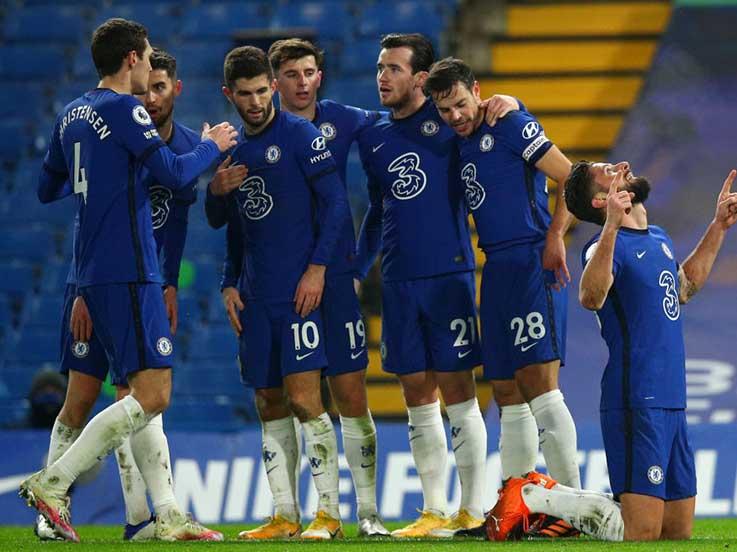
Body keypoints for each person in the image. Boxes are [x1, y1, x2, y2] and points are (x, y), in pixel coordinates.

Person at [20, 18, 236, 542]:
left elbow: (49, 187)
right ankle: (55, 483)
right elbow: (178, 174)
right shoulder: (123, 109)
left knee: (134, 392)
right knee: (153, 393)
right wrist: (211, 145)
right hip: (130, 268)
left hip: (94, 269)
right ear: (131, 59)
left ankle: (159, 515)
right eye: (144, 57)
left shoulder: (72, 111)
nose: (146, 66)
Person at [487, 163, 737, 541]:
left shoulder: (658, 239)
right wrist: (610, 228)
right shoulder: (602, 247)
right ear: (602, 200)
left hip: (673, 398)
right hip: (636, 396)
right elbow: (591, 296)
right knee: (641, 531)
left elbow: (683, 288)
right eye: (609, 171)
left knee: (675, 532)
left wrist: (718, 226)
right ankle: (533, 494)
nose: (622, 166)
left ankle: (543, 496)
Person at [212, 37, 389, 538]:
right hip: (268, 289)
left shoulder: (319, 129)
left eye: (307, 73)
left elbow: (338, 205)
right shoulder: (231, 147)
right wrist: (228, 276)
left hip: (324, 281)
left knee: (344, 395)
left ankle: (363, 513)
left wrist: (322, 269)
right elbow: (232, 222)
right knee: (273, 398)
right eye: (290, 75)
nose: (298, 83)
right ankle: (288, 514)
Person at [355, 34, 517, 537]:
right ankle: (433, 510)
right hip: (399, 282)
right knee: (415, 395)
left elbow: (506, 122)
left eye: (395, 69)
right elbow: (378, 213)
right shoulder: (373, 135)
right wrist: (357, 270)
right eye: (381, 67)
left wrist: (514, 103)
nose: (383, 76)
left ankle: (471, 509)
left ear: (420, 78)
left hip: (449, 277)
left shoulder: (452, 125)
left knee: (458, 391)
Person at [424, 58, 581, 498]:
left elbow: (572, 177)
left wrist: (555, 235)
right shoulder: (459, 143)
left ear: (476, 90)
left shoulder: (509, 122)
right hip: (494, 268)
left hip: (533, 260)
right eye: (445, 110)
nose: (455, 116)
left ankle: (576, 505)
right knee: (507, 389)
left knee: (540, 385)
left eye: (459, 104)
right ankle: (517, 502)